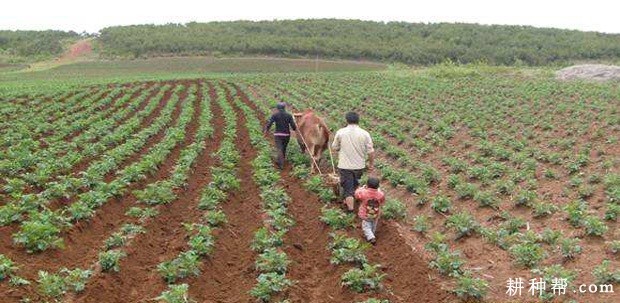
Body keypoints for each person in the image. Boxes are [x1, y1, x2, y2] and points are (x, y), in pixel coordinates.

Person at [331, 111, 375, 211]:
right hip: (359, 166)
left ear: (346, 120)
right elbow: (371, 151)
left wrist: (341, 148)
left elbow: (334, 147)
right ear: (358, 121)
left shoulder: (341, 132)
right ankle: (354, 201)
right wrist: (371, 164)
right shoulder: (365, 134)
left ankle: (350, 209)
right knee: (355, 184)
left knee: (348, 188)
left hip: (345, 166)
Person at [264, 102, 297, 169]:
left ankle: (281, 164)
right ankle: (280, 160)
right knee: (283, 148)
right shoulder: (289, 115)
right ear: (284, 108)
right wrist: (295, 128)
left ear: (278, 108)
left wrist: (266, 130)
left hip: (278, 134)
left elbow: (270, 123)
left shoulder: (275, 115)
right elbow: (293, 126)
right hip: (286, 135)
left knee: (279, 148)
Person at [355, 177, 385, 245]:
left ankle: (371, 237)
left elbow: (357, 194)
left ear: (367, 185)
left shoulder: (363, 192)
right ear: (378, 186)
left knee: (366, 227)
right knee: (373, 224)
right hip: (375, 213)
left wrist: (362, 188)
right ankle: (372, 233)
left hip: (365, 214)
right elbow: (382, 201)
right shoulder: (380, 194)